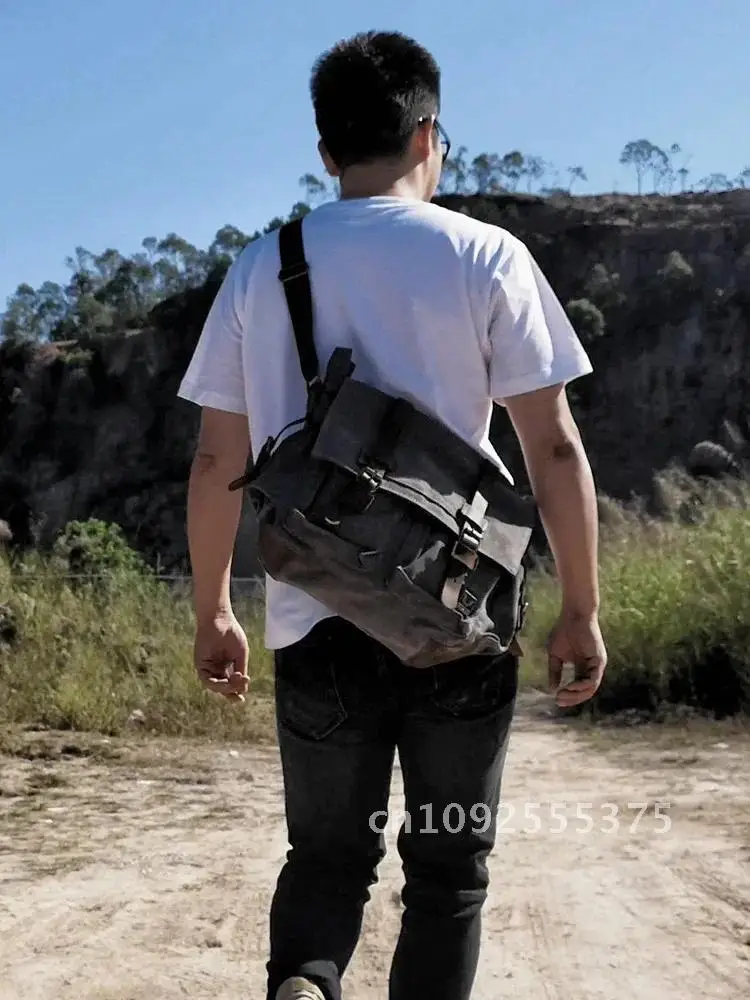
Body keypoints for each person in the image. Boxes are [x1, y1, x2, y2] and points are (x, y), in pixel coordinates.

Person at [177, 29, 607, 1000]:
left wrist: (214, 608)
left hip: (316, 616)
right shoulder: (486, 255)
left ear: (326, 152)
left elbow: (215, 459)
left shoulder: (263, 267)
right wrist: (580, 606)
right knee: (448, 874)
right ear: (428, 135)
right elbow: (553, 448)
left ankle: (305, 982)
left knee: (328, 859)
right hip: (456, 616)